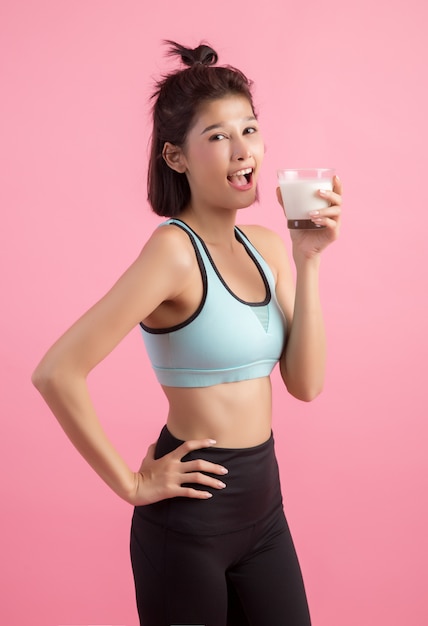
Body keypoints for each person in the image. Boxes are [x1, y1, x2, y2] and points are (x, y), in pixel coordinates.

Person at [32, 40, 342, 626]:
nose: (243, 149)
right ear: (176, 157)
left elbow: (306, 384)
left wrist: (309, 258)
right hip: (189, 525)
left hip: (265, 510)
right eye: (219, 136)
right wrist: (130, 483)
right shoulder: (174, 253)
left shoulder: (270, 248)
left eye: (249, 128)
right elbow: (56, 371)